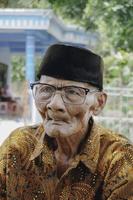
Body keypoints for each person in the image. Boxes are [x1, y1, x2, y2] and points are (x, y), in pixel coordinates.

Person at [0, 43, 133, 200]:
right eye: (46, 89)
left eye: (72, 92)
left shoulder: (119, 159)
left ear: (99, 103)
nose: (54, 105)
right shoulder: (18, 146)